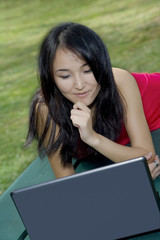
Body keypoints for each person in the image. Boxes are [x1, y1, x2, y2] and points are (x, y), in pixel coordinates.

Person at [26, 22, 160, 180]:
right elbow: (67, 182)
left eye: (87, 70)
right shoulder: (46, 108)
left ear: (101, 65)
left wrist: (93, 138)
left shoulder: (120, 82)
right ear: (51, 78)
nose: (80, 85)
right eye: (65, 76)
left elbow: (148, 157)